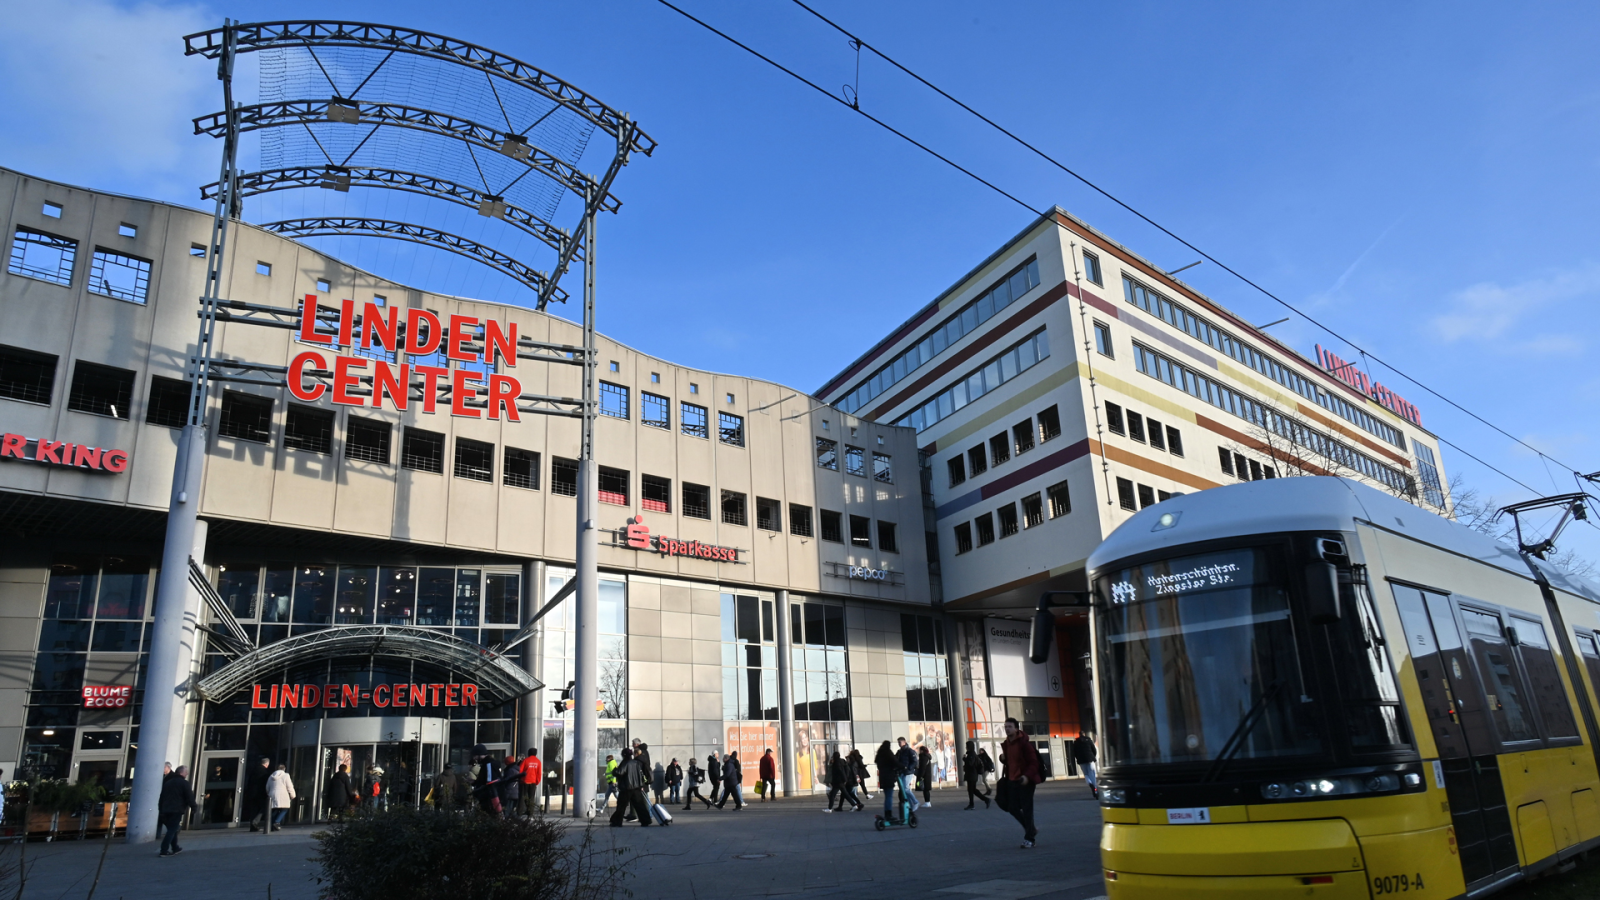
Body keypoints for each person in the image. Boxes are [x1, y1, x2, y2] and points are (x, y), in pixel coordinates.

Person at [1000, 717, 1043, 848]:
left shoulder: (1024, 744)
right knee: (1012, 807)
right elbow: (1011, 762)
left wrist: (1026, 776)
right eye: (1005, 726)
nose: (1007, 729)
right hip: (1012, 780)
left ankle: (1030, 839)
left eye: (1009, 727)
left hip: (1025, 780)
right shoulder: (1007, 744)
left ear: (1016, 729)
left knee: (1027, 809)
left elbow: (1033, 763)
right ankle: (1031, 829)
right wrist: (1002, 759)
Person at [157, 765, 198, 857]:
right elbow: (189, 796)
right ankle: (164, 850)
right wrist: (194, 807)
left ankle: (175, 847)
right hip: (176, 809)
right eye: (185, 772)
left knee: (173, 829)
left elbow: (161, 797)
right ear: (181, 773)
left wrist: (160, 810)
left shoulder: (168, 783)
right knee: (172, 830)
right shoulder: (184, 783)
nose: (187, 773)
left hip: (166, 809)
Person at [608, 748, 653, 827]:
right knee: (639, 805)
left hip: (626, 788)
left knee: (621, 806)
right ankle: (646, 820)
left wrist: (614, 770)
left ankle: (617, 821)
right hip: (637, 787)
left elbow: (619, 772)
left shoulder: (625, 763)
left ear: (624, 755)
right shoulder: (636, 763)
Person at [243, 756, 271, 832]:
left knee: (253, 810)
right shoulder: (265, 772)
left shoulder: (253, 770)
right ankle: (255, 822)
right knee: (264, 808)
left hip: (252, 793)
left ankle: (252, 827)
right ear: (266, 764)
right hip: (260, 793)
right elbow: (266, 784)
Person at [895, 738, 922, 814]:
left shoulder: (909, 751)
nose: (899, 744)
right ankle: (910, 805)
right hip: (902, 772)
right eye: (898, 742)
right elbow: (896, 760)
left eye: (900, 742)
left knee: (905, 788)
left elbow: (914, 761)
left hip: (908, 772)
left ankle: (915, 802)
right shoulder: (900, 752)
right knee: (904, 790)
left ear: (904, 742)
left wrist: (909, 767)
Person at [963, 741, 991, 810]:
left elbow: (970, 764)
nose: (966, 747)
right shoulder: (971, 754)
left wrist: (964, 759)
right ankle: (985, 800)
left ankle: (973, 804)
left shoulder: (971, 754)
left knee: (971, 790)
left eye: (967, 746)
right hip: (972, 775)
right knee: (973, 790)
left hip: (972, 775)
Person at [266, 763, 296, 830]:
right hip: (283, 794)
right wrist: (292, 795)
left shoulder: (271, 776)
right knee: (285, 809)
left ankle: (271, 824)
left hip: (272, 794)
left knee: (275, 809)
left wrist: (269, 793)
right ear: (284, 769)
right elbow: (289, 786)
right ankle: (276, 822)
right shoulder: (286, 775)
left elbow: (267, 787)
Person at [874, 741, 899, 819]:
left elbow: (877, 763)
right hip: (889, 777)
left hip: (882, 777)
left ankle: (887, 813)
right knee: (889, 796)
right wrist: (903, 766)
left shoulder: (879, 754)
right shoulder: (888, 753)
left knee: (887, 796)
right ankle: (889, 814)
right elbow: (895, 762)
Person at [519, 749, 543, 817]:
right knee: (531, 797)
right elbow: (539, 773)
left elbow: (520, 770)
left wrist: (520, 779)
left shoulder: (526, 760)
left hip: (525, 781)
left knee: (523, 797)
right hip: (533, 782)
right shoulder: (538, 762)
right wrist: (537, 781)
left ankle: (520, 812)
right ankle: (530, 813)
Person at [1073, 732, 1098, 797]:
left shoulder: (1076, 742)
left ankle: (1090, 784)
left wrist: (1078, 758)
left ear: (1079, 735)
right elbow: (1094, 750)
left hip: (1081, 760)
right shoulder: (1089, 740)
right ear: (1084, 734)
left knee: (1086, 774)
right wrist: (1093, 756)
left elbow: (1074, 752)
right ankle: (1095, 789)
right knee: (1092, 773)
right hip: (1090, 759)